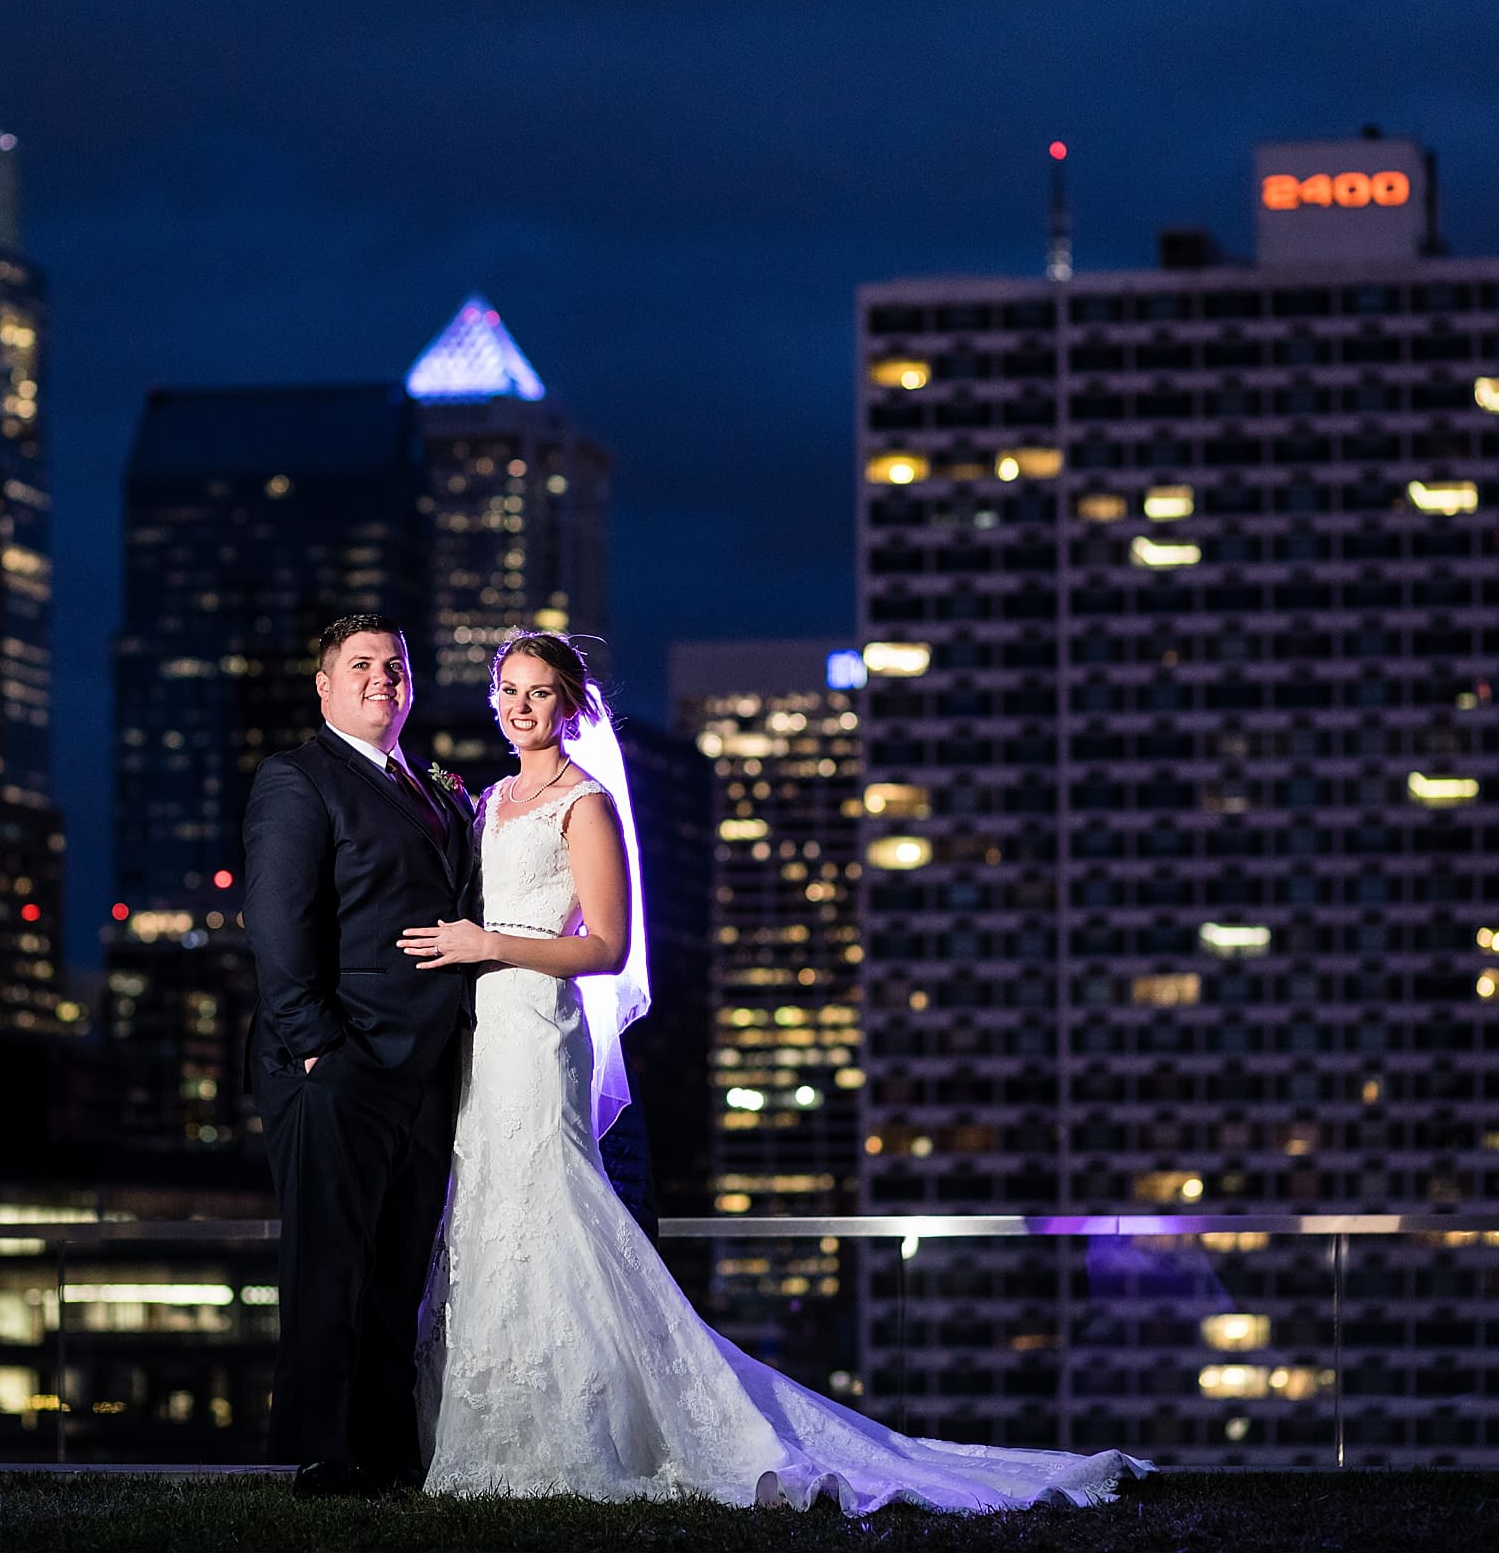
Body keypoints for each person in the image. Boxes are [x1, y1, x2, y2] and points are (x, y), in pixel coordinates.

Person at [400, 631, 1152, 1513]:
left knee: (553, 1212)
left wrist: (487, 944)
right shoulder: (489, 801)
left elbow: (606, 946)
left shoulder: (587, 803)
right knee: (489, 1212)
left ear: (572, 703)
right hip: (488, 1036)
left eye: (539, 691)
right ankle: (498, 1436)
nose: (521, 707)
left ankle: (596, 1433)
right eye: (510, 691)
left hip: (541, 1029)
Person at [242, 613, 479, 1498]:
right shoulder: (298, 779)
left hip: (424, 1064)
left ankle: (388, 1451)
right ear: (325, 684)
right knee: (329, 1267)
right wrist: (317, 1050)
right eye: (363, 665)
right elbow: (275, 921)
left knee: (398, 1268)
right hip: (341, 1063)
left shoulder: (431, 786)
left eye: (395, 665)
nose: (383, 678)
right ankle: (318, 1455)